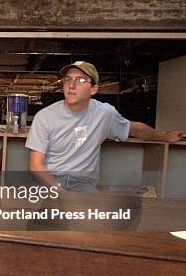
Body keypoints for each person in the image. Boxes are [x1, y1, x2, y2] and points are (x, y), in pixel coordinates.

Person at [26, 60, 182, 193]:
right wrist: (60, 191)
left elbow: (136, 129)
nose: (71, 85)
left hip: (82, 183)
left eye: (80, 80)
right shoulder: (45, 116)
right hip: (48, 181)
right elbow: (36, 165)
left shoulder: (104, 113)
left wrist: (166, 137)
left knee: (98, 220)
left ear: (93, 89)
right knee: (40, 221)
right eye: (68, 79)